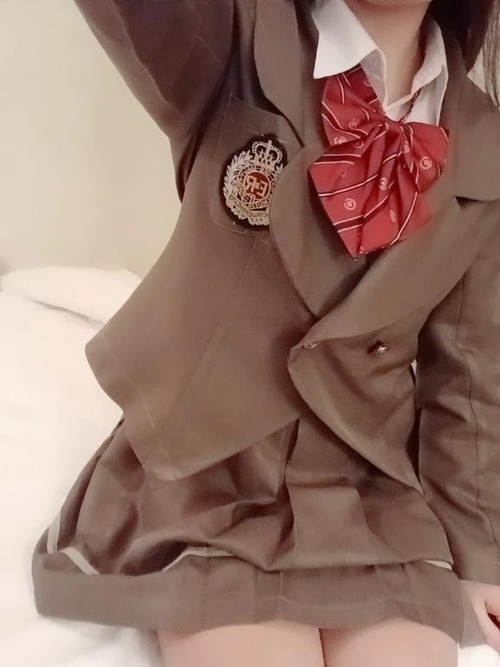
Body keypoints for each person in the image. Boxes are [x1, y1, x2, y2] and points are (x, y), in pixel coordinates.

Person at [31, 0, 500, 665]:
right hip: (207, 480)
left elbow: (469, 380)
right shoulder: (236, 37)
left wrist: (481, 554)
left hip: (367, 498)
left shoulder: (483, 144)